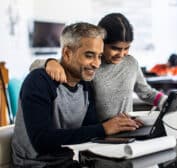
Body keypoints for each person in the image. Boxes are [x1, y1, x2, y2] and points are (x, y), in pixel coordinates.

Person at [11, 22, 139, 167]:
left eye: (99, 56)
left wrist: (122, 125)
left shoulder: (85, 85)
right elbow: (42, 141)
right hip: (34, 165)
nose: (97, 64)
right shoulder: (39, 82)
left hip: (68, 163)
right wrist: (103, 128)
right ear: (67, 53)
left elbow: (91, 129)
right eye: (89, 56)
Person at [30, 13, 167, 122]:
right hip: (98, 132)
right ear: (101, 43)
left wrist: (166, 102)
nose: (121, 54)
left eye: (126, 48)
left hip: (127, 129)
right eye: (115, 48)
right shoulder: (88, 66)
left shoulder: (131, 63)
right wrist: (50, 62)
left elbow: (146, 92)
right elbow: (35, 65)